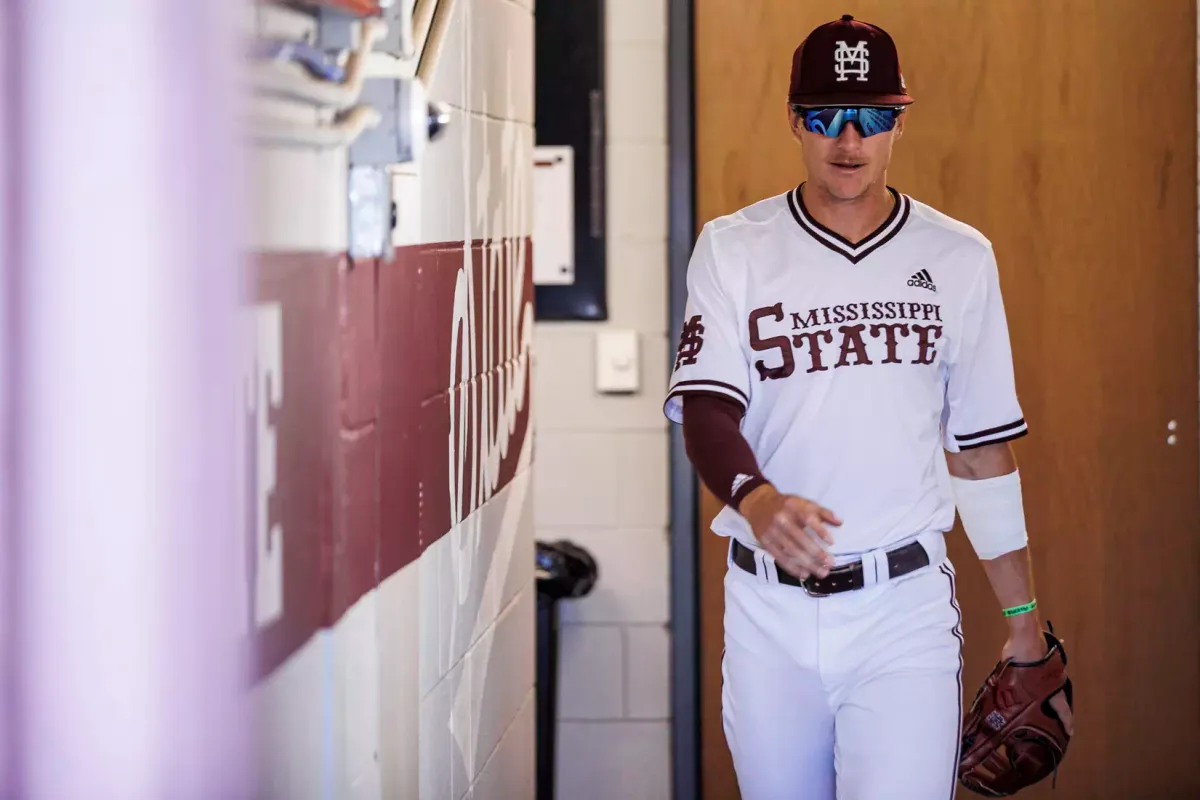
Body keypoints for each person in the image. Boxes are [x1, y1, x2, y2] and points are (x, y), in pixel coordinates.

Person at [663, 14, 1074, 799]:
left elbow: (982, 452)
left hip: (902, 609)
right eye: (824, 117)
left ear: (898, 123)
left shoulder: (959, 257)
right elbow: (708, 409)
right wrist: (755, 497)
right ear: (794, 120)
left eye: (872, 117)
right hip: (767, 611)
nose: (848, 139)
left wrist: (1023, 619)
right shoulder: (734, 246)